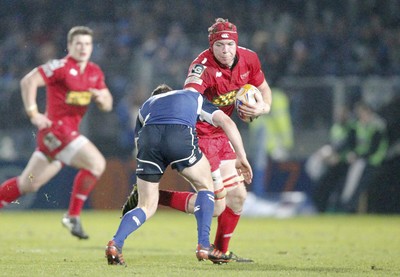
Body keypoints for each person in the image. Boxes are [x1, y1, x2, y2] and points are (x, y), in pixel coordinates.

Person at [122, 18, 272, 263]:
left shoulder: (250, 59)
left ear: (237, 44)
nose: (226, 50)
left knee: (239, 197)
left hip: (221, 134)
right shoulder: (201, 67)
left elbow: (264, 88)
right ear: (211, 46)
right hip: (199, 135)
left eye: (230, 45)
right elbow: (188, 100)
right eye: (220, 46)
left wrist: (262, 109)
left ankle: (220, 251)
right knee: (215, 207)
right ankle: (156, 199)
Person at [105, 84, 252, 266]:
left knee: (146, 206)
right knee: (205, 188)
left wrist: (151, 171)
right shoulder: (192, 95)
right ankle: (204, 245)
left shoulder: (146, 106)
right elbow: (226, 122)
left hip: (148, 140)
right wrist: (241, 156)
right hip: (178, 134)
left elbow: (138, 144)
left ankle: (115, 243)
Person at [0, 26, 113, 239]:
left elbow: (107, 104)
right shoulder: (60, 67)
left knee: (28, 183)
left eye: (87, 44)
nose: (83, 48)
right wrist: (33, 113)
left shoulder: (94, 72)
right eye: (78, 43)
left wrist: (101, 97)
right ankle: (72, 215)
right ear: (69, 46)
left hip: (60, 139)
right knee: (97, 163)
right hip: (57, 132)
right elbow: (28, 81)